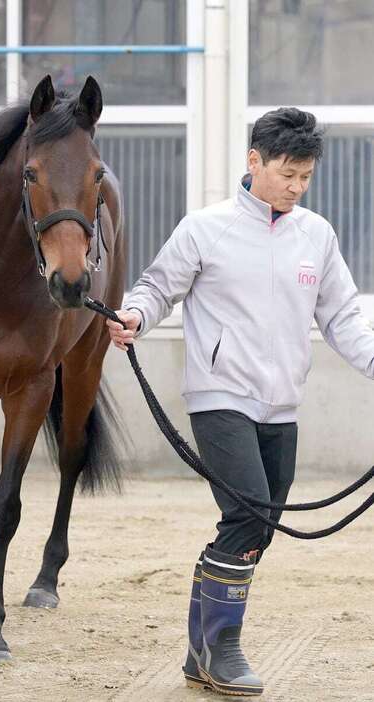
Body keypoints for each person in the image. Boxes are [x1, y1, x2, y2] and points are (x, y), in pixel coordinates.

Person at [106, 107, 374, 697]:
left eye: (306, 176)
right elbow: (157, 287)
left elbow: (343, 317)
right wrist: (135, 316)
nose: (297, 187)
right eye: (287, 174)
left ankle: (201, 649)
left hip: (282, 406)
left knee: (260, 525)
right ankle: (222, 648)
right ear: (253, 161)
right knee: (249, 514)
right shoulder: (207, 227)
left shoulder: (317, 235)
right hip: (220, 396)